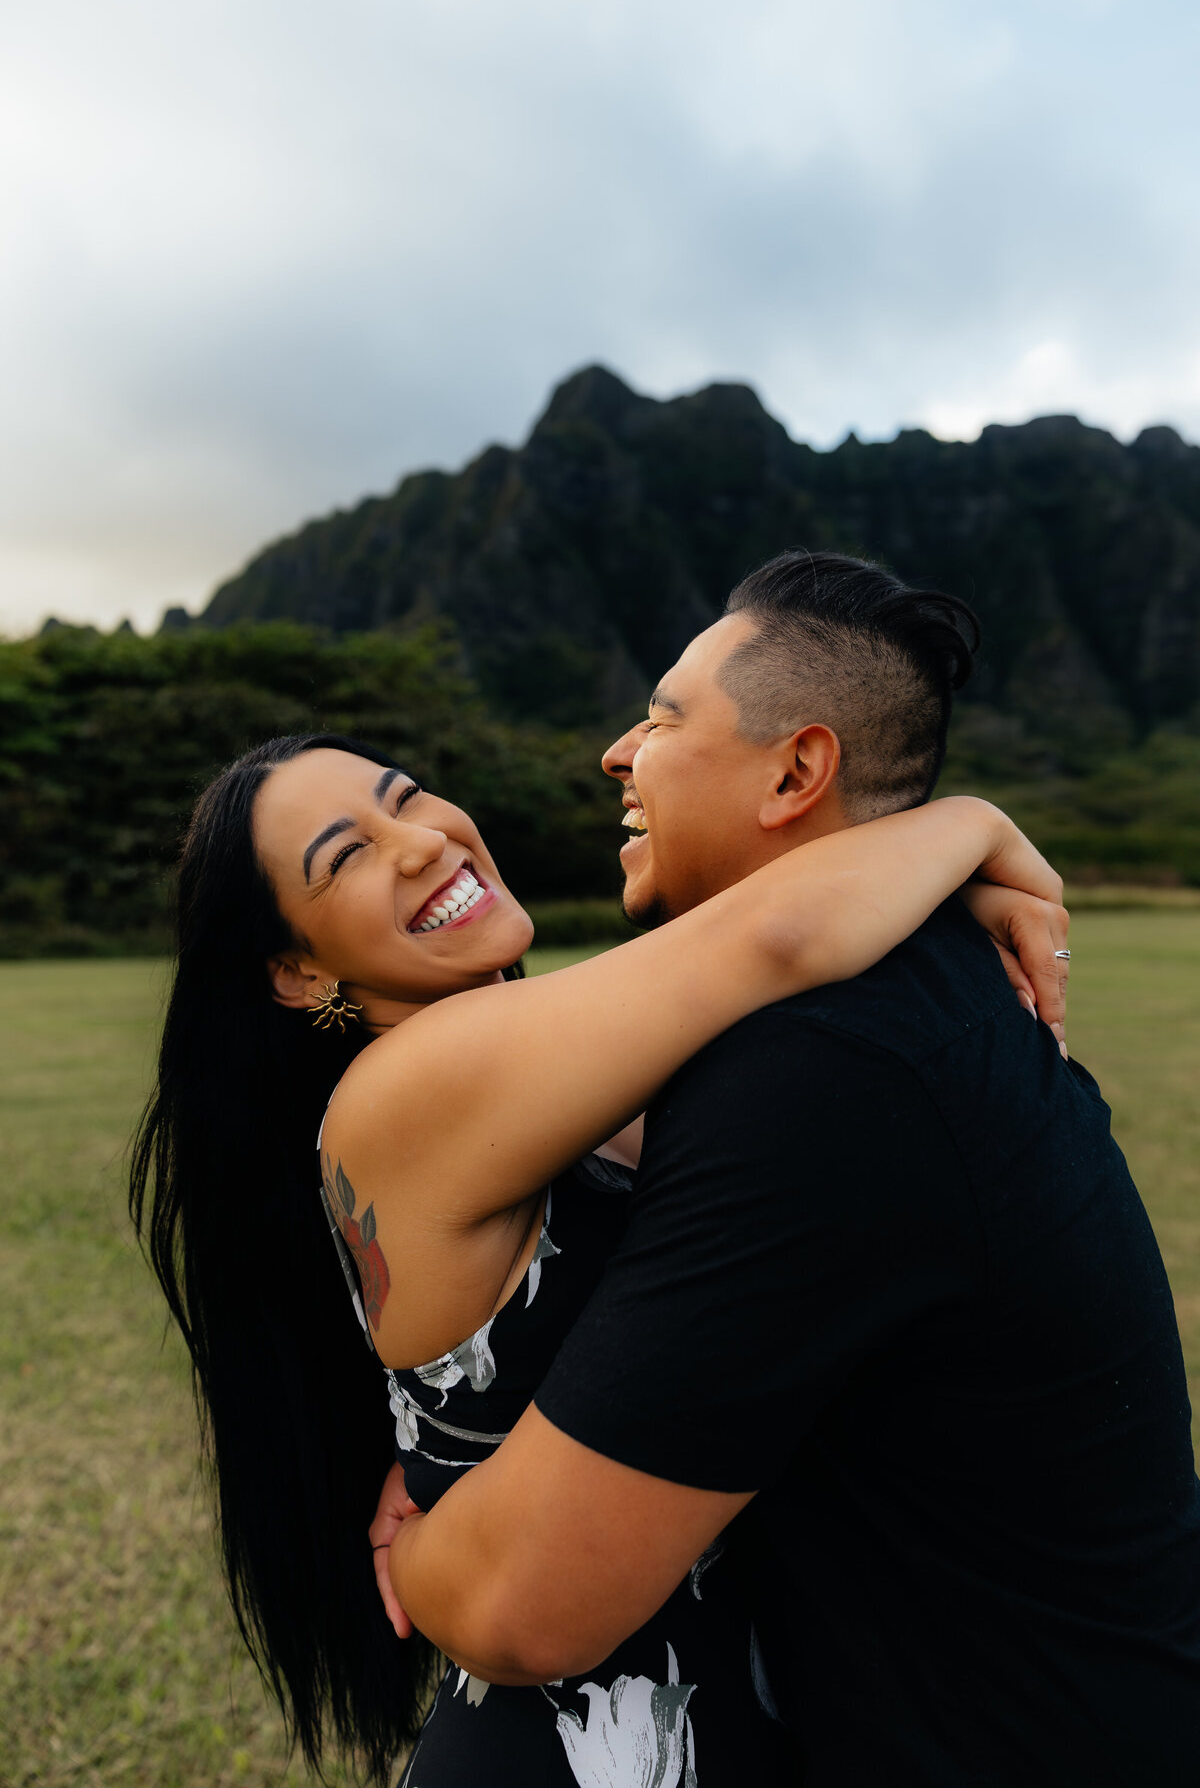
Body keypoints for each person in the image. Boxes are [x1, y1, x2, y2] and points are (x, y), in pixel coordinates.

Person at [129, 568, 1065, 1786]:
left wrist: (441, 1465)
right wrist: (969, 825)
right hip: (578, 1751)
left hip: (720, 1712)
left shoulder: (554, 1060)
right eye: (347, 856)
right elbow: (782, 932)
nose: (423, 840)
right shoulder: (404, 1094)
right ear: (298, 976)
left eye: (406, 797)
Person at [374, 552, 1200, 1787]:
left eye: (660, 719)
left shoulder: (834, 1064)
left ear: (797, 771)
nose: (617, 752)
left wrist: (432, 1536)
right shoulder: (882, 990)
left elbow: (519, 1609)